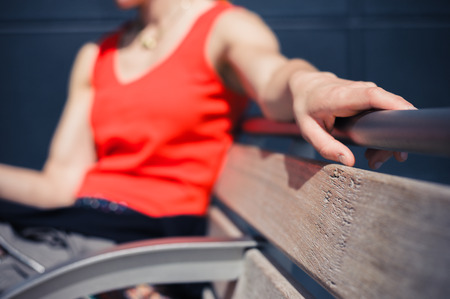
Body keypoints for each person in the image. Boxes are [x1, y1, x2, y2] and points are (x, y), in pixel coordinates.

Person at [0, 0, 415, 297]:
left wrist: (312, 85)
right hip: (68, 230)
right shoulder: (96, 55)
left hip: (133, 246)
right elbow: (58, 184)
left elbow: (272, 76)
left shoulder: (223, 25)